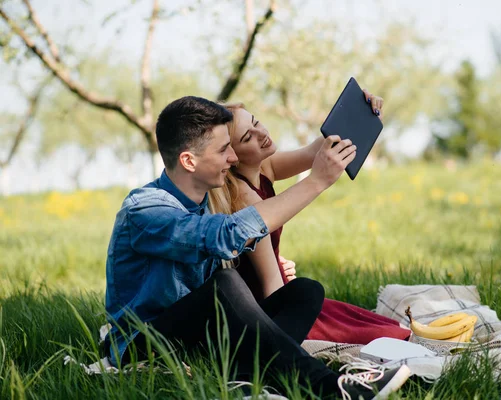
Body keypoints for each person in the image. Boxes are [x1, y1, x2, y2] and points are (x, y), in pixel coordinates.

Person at [104, 96, 409, 399]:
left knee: (305, 291)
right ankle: (333, 387)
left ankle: (247, 377)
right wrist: (316, 182)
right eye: (224, 150)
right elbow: (224, 237)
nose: (233, 159)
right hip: (143, 345)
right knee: (223, 284)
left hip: (198, 338)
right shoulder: (145, 211)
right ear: (189, 161)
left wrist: (359, 117)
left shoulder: (206, 203)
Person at [211, 95, 411, 345]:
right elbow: (270, 284)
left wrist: (361, 112)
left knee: (385, 324)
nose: (260, 133)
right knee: (390, 337)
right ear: (232, 156)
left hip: (285, 287)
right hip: (271, 305)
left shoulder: (264, 167)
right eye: (247, 137)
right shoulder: (243, 197)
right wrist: (288, 338)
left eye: (256, 122)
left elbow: (316, 150)